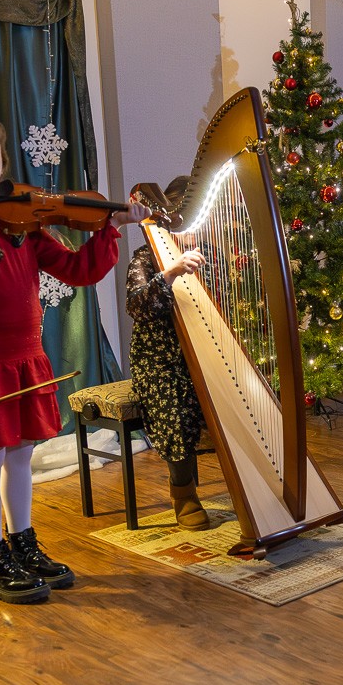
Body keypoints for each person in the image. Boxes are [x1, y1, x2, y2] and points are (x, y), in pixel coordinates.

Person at [0, 113, 146, 604]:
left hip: (25, 357)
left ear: (3, 165)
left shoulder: (19, 222)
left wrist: (111, 227)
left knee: (21, 456)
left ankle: (22, 543)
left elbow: (77, 270)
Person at [125, 177, 212, 528]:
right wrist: (171, 273)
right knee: (175, 404)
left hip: (201, 353)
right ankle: (184, 493)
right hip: (157, 359)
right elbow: (136, 305)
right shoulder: (145, 257)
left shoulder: (208, 255)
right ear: (169, 219)